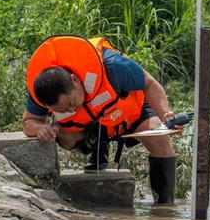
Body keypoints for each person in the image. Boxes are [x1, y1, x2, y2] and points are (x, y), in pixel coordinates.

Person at [21, 35, 179, 204]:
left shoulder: (112, 66)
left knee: (160, 138)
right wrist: (40, 129)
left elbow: (150, 84)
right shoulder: (42, 91)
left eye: (72, 102)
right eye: (63, 110)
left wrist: (166, 114)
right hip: (93, 126)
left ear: (74, 80)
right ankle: (99, 148)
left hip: (132, 111)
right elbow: (28, 122)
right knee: (64, 135)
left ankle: (164, 206)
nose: (71, 109)